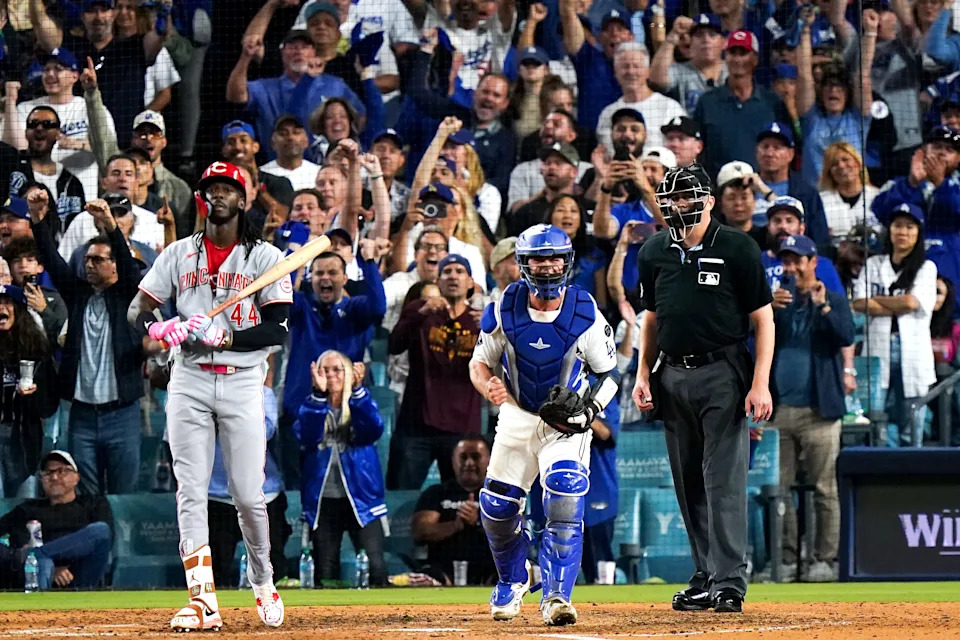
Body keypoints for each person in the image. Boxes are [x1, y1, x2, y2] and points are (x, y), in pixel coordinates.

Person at [126, 161, 291, 630]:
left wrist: (227, 338)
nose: (217, 196)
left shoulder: (266, 257)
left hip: (242, 382)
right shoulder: (179, 254)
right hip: (190, 379)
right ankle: (203, 602)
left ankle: (263, 580)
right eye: (210, 189)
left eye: (227, 189)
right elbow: (138, 308)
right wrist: (159, 326)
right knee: (190, 492)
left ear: (243, 199)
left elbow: (277, 328)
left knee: (247, 495)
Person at [632, 165, 774, 613]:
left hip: (723, 373)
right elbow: (650, 319)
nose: (677, 206)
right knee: (687, 480)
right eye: (671, 199)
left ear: (709, 201)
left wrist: (760, 384)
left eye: (687, 198)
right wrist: (641, 374)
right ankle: (705, 574)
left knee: (723, 480)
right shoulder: (653, 251)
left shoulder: (737, 246)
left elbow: (764, 319)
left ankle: (729, 579)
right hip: (671, 374)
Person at [469, 223, 619, 625]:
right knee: (497, 506)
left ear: (567, 262)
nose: (548, 266)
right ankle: (514, 578)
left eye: (555, 257)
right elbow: (479, 361)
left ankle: (556, 596)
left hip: (566, 424)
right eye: (539, 257)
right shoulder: (503, 307)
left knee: (565, 493)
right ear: (523, 263)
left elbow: (609, 377)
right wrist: (489, 386)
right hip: (517, 416)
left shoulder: (585, 312)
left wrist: (587, 413)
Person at [30, 194, 144, 497]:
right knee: (87, 499)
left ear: (115, 265)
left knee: (125, 497)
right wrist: (38, 219)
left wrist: (109, 225)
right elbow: (52, 262)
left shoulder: (126, 297)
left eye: (98, 260)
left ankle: (121, 547)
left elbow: (131, 270)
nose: (89, 264)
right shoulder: (78, 295)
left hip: (123, 415)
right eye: (87, 259)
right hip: (81, 416)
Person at [771, 234, 854, 583]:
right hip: (779, 411)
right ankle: (785, 560)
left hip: (820, 412)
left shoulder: (833, 299)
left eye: (797, 260)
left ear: (812, 262)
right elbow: (747, 338)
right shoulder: (775, 302)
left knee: (825, 489)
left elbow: (845, 335)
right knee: (778, 490)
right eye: (786, 261)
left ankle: (825, 559)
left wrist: (824, 307)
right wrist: (765, 311)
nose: (791, 267)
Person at [387, 255, 483, 490]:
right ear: (438, 281)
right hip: (416, 426)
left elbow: (501, 371)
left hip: (462, 429)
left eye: (459, 271)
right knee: (402, 494)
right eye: (447, 271)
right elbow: (394, 345)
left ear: (471, 282)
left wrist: (493, 335)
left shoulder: (482, 322)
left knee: (460, 501)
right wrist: (421, 311)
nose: (453, 276)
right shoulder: (420, 311)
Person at [296, 351, 388, 586]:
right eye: (325, 370)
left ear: (348, 373)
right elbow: (306, 437)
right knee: (325, 573)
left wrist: (357, 393)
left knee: (375, 569)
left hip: (362, 499)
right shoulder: (310, 407)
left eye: (337, 369)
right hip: (323, 502)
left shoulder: (361, 402)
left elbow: (372, 430)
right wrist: (318, 396)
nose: (331, 375)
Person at [853, 203, 938, 447]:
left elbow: (912, 303)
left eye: (909, 227)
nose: (902, 231)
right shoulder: (874, 264)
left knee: (912, 415)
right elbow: (859, 303)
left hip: (911, 350)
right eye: (898, 225)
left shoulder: (926, 267)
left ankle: (914, 474)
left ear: (918, 233)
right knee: (876, 414)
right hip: (878, 347)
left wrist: (877, 300)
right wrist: (894, 303)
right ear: (889, 230)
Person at [30, 0, 165, 146]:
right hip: (77, 147)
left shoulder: (134, 46)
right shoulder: (71, 47)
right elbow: (40, 24)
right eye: (91, 11)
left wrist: (164, 13)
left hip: (124, 148)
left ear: (113, 14)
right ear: (82, 16)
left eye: (104, 10)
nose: (99, 17)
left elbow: (159, 35)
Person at [207, 383, 291, 587]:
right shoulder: (202, 391)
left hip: (264, 493)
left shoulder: (263, 392)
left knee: (273, 566)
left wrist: (232, 412)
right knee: (218, 572)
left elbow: (267, 432)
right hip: (216, 494)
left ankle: (280, 614)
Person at [2, 48, 107, 201]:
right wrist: (11, 101)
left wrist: (79, 144)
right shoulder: (26, 108)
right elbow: (13, 149)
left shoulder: (90, 107)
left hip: (83, 198)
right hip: (35, 197)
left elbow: (108, 149)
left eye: (58, 69)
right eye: (46, 69)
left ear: (74, 76)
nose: (50, 74)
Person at [0, 451, 113, 590]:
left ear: (76, 478)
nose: (54, 477)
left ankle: (37, 554)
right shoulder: (27, 509)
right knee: (44, 563)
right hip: (43, 571)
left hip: (82, 573)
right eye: (48, 473)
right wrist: (54, 569)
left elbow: (105, 539)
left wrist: (33, 554)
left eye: (62, 471)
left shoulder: (94, 503)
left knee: (100, 530)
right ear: (42, 480)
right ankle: (40, 608)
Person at [796, 7, 876, 190]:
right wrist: (806, 29)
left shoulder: (857, 119)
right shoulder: (811, 118)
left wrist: (871, 31)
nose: (834, 91)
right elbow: (804, 75)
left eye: (839, 87)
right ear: (820, 91)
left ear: (848, 93)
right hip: (817, 199)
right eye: (829, 86)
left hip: (852, 195)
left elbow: (862, 75)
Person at [693, 30, 791, 179]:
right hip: (719, 190)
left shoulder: (773, 102)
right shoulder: (707, 102)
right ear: (725, 57)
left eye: (743, 53)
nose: (737, 59)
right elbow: (697, 150)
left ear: (755, 59)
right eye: (733, 53)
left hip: (762, 188)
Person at [413, 437, 497, 586]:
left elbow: (515, 533)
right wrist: (456, 525)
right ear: (453, 460)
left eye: (475, 457)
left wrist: (478, 521)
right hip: (441, 571)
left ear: (489, 460)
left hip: (491, 570)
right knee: (423, 580)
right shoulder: (436, 493)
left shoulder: (499, 495)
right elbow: (421, 531)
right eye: (463, 457)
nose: (469, 463)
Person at [0, 284, 57, 498]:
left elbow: (49, 407)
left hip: (24, 441)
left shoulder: (37, 353)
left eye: (6, 302)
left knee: (25, 508)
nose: (1, 308)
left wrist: (31, 397)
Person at [57, 153, 165, 259]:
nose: (122, 178)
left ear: (137, 182)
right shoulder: (83, 220)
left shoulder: (152, 220)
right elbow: (64, 261)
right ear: (104, 182)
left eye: (128, 174)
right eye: (116, 173)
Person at [7, 106, 86, 232]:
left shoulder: (73, 183)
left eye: (47, 124)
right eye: (33, 124)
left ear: (58, 133)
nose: (39, 128)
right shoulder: (10, 168)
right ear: (26, 132)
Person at [595, 43, 686, 151]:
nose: (631, 71)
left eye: (636, 66)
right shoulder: (608, 113)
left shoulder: (670, 108)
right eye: (625, 66)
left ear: (648, 71)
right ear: (616, 73)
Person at [559, 1, 634, 130]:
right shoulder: (588, 59)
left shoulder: (640, 64)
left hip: (627, 137)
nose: (614, 34)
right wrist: (569, 8)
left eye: (620, 29)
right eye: (608, 30)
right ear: (599, 38)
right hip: (589, 140)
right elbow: (568, 15)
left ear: (631, 37)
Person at [649, 14, 728, 114]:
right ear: (690, 43)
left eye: (712, 34)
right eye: (699, 35)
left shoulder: (733, 69)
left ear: (723, 42)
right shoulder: (681, 70)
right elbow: (656, 79)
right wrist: (673, 35)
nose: (706, 40)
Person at [2, 237, 68, 346]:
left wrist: (44, 310)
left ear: (40, 267)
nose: (23, 265)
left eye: (30, 260)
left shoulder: (55, 298)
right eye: (16, 260)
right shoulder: (5, 297)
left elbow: (62, 334)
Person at [818, 142, 879, 240]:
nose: (841, 166)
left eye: (845, 159)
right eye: (834, 164)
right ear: (829, 172)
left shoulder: (878, 196)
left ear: (858, 163)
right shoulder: (821, 201)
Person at [259, 115, 321, 192]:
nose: (290, 137)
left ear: (306, 141)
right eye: (283, 133)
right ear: (272, 143)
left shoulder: (320, 173)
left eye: (296, 133)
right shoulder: (262, 175)